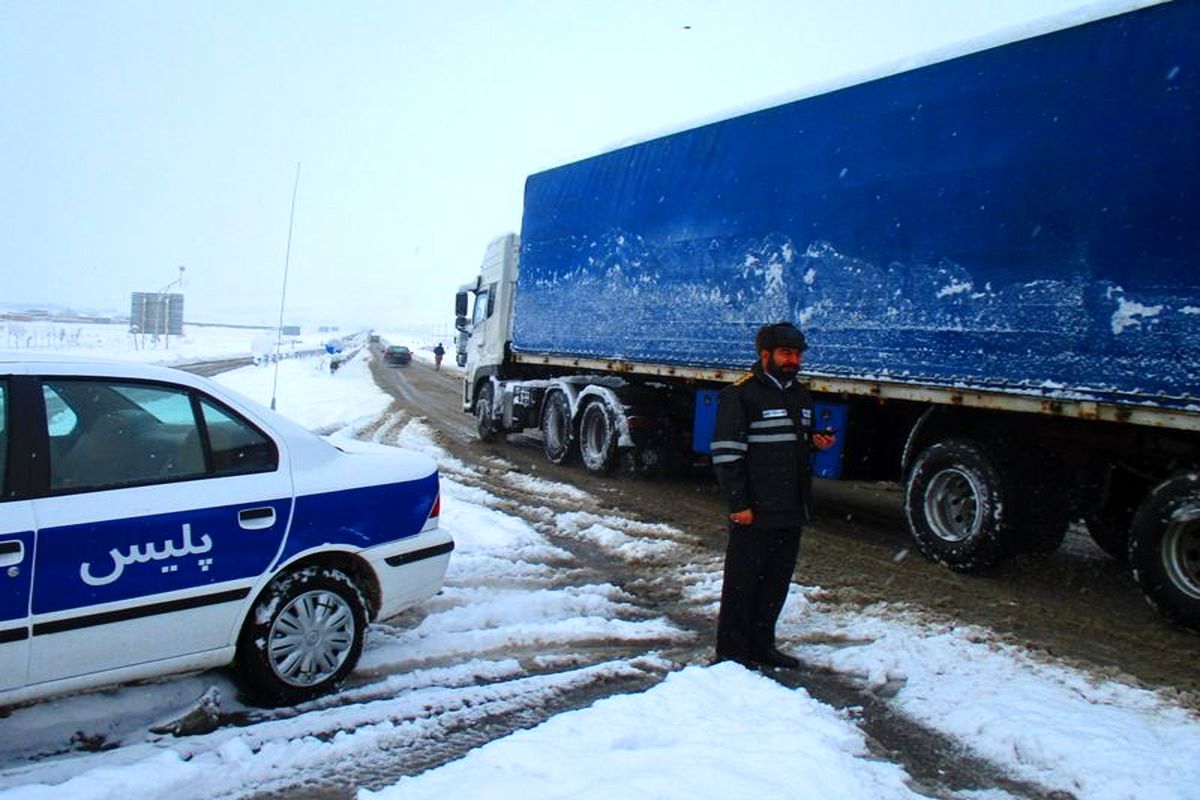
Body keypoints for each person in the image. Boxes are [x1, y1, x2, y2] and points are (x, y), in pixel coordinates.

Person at [711, 321, 836, 669]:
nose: (793, 359)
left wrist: (814, 442)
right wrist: (739, 505)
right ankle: (731, 655)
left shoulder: (800, 394)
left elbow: (793, 440)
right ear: (764, 354)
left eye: (797, 353)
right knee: (742, 584)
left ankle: (761, 646)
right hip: (755, 509)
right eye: (785, 353)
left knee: (775, 584)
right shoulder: (740, 394)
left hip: (791, 507)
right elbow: (726, 454)